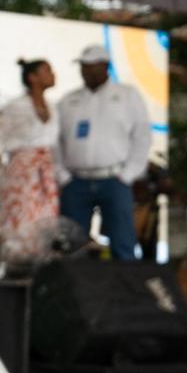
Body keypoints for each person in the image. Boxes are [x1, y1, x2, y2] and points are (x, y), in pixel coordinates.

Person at [56, 44, 152, 261]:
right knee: (71, 246)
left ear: (106, 66)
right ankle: (74, 293)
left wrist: (129, 174)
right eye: (83, 66)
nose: (86, 71)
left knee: (122, 243)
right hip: (76, 181)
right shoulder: (68, 100)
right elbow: (55, 141)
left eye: (92, 66)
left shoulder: (127, 95)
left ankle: (123, 292)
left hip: (114, 179)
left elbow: (142, 136)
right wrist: (62, 175)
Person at [0, 58, 62, 269]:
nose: (53, 74)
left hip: (46, 172)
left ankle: (42, 269)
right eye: (47, 70)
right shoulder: (16, 107)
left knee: (46, 220)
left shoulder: (53, 107)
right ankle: (16, 267)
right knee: (21, 220)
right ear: (33, 78)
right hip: (22, 171)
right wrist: (6, 175)